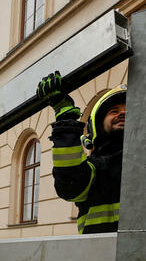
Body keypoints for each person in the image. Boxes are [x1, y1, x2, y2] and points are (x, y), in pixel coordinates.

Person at [37, 71, 126, 234]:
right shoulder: (98, 167)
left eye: (128, 109)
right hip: (98, 256)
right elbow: (71, 183)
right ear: (98, 125)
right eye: (114, 110)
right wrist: (66, 120)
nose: (122, 113)